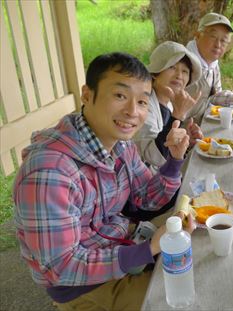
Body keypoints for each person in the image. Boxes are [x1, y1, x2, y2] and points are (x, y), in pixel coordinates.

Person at [12, 52, 195, 310]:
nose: (133, 111)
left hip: (123, 245)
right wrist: (148, 249)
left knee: (198, 240)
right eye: (120, 96)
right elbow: (60, 267)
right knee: (186, 300)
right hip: (83, 287)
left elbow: (147, 197)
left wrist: (175, 161)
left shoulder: (120, 146)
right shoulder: (49, 173)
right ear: (87, 95)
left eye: (142, 101)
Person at [134, 41, 204, 174]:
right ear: (155, 72)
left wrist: (185, 140)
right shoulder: (141, 104)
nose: (179, 76)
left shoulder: (169, 103)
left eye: (185, 71)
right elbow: (154, 157)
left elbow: (168, 148)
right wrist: (178, 115)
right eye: (172, 67)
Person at [185, 12, 233, 124]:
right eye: (213, 37)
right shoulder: (184, 65)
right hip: (180, 131)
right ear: (198, 35)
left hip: (201, 126)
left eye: (223, 40)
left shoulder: (212, 64)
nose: (218, 45)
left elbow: (213, 97)